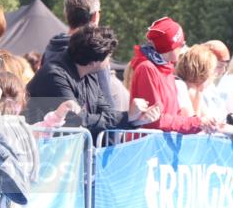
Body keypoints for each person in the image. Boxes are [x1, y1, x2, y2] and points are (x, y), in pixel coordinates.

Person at [26, 25, 160, 139]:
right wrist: (128, 115)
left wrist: (136, 119)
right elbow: (77, 120)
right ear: (94, 61)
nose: (109, 61)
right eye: (108, 57)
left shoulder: (89, 73)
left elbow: (106, 112)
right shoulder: (54, 75)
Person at [43, 0, 129, 112]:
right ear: (95, 16)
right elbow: (106, 100)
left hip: (51, 123)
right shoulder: (94, 52)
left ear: (66, 15)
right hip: (87, 124)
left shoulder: (50, 49)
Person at [129, 17, 218, 134]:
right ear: (171, 46)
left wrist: (198, 122)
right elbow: (154, 119)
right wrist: (196, 123)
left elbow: (175, 115)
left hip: (162, 147)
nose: (183, 48)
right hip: (147, 147)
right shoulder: (147, 68)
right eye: (182, 44)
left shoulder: (167, 69)